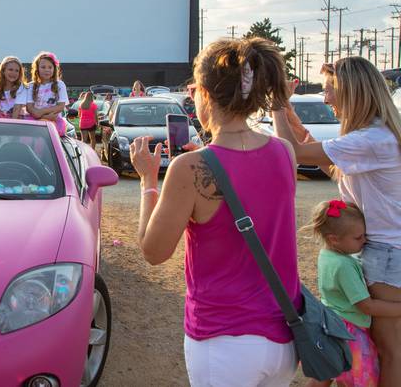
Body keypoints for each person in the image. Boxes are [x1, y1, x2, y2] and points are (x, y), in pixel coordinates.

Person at [131, 37, 301, 386]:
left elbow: (153, 251)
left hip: (224, 340)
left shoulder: (189, 168)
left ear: (205, 94)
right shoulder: (285, 152)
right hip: (283, 337)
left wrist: (148, 180)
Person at [272, 57, 401, 387]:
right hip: (385, 251)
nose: (326, 98)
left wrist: (275, 104)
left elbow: (292, 152)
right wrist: (286, 108)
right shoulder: (371, 136)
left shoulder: (372, 140)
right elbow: (310, 148)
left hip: (389, 253)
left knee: (391, 350)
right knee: (383, 347)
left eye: (330, 90)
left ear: (353, 92)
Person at [303, 200, 395, 387]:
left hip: (330, 325)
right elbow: (366, 305)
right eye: (358, 237)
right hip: (349, 333)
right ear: (334, 239)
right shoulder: (344, 265)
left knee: (325, 372)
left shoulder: (327, 255)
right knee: (357, 378)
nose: (365, 241)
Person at [26, 51, 68, 135]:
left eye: (50, 67)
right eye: (43, 67)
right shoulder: (31, 86)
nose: (47, 70)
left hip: (54, 118)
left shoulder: (60, 84)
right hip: (34, 118)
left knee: (55, 134)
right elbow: (29, 107)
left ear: (54, 69)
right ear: (37, 69)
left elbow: (60, 106)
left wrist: (41, 112)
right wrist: (43, 117)